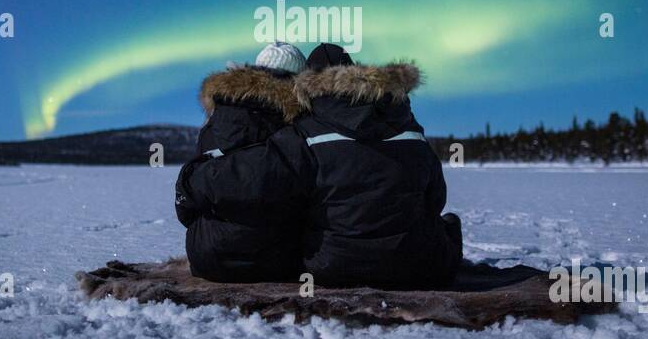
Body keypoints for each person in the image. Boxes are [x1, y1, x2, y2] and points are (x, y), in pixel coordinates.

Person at [177, 43, 462, 289]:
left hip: (333, 265)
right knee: (447, 224)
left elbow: (252, 178)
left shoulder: (307, 133)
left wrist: (188, 186)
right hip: (423, 265)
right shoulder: (409, 127)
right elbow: (435, 198)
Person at [177, 42, 308, 283]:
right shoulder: (300, 126)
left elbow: (188, 200)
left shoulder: (214, 123)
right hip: (280, 260)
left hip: (207, 256)